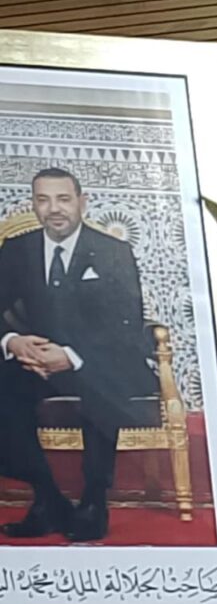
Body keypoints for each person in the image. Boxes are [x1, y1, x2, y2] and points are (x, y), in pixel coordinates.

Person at [0, 167, 158, 541]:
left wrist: (70, 355)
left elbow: (126, 323)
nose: (54, 208)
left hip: (96, 359)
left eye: (63, 199)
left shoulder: (113, 251)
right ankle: (47, 497)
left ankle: (93, 501)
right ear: (34, 205)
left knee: (100, 380)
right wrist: (12, 341)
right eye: (43, 199)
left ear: (81, 203)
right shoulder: (17, 250)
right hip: (36, 360)